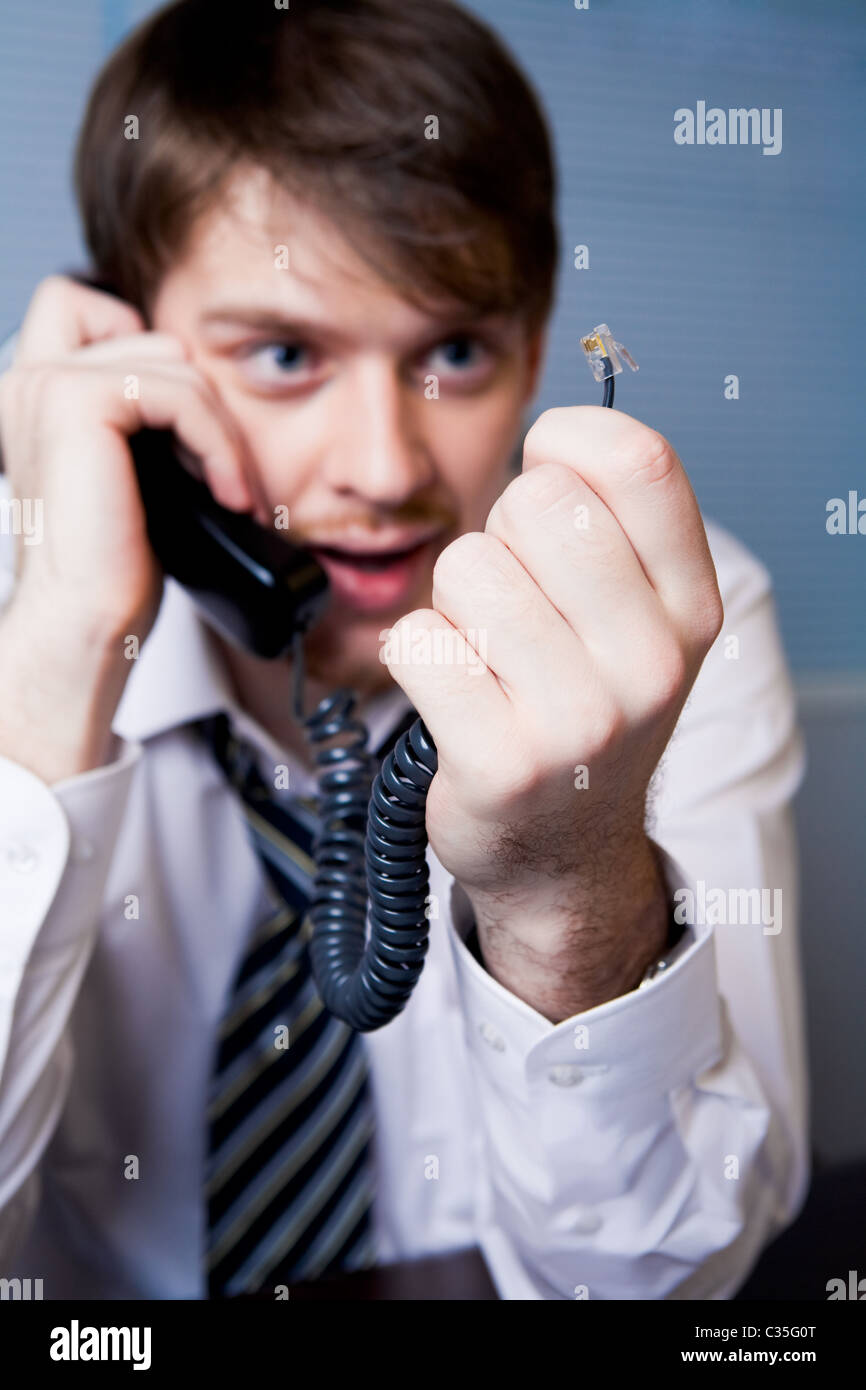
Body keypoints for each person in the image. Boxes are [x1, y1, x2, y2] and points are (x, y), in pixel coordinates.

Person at [0, 0, 808, 1300]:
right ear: (124, 350)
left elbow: (670, 1279)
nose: (383, 469)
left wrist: (572, 890)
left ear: (535, 349)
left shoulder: (665, 627)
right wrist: (58, 661)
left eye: (450, 351)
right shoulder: (22, 606)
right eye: (281, 354)